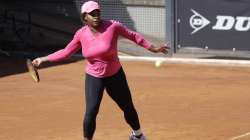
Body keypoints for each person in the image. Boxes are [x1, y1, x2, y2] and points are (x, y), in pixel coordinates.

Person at [32, 1, 170, 140]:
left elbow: (133, 36)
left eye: (98, 12)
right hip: (94, 77)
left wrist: (153, 48)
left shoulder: (113, 26)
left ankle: (138, 135)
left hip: (115, 75)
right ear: (85, 17)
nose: (96, 16)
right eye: (92, 14)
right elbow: (66, 51)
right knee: (91, 112)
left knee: (127, 107)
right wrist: (43, 59)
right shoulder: (81, 34)